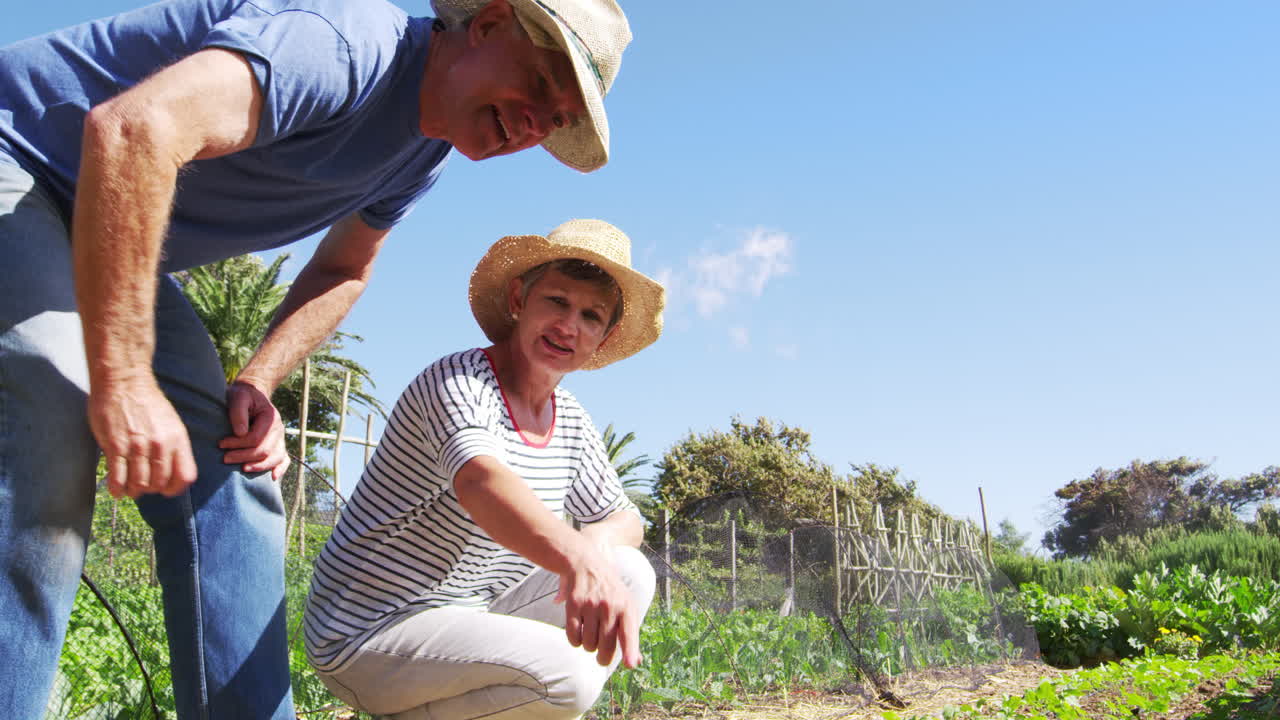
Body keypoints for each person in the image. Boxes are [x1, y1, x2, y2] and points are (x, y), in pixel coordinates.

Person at [0, 0, 632, 716]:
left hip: (106, 218)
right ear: (486, 25)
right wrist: (124, 376)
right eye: (541, 83)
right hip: (23, 165)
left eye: (555, 121)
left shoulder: (420, 155)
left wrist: (257, 381)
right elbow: (134, 129)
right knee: (49, 425)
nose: (535, 122)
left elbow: (345, 271)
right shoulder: (345, 44)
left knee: (234, 468)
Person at [303, 218, 663, 719]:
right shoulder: (459, 382)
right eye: (556, 301)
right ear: (519, 300)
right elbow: (482, 482)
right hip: (369, 629)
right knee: (568, 680)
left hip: (463, 614)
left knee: (630, 572)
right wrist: (581, 564)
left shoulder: (571, 420)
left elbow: (626, 520)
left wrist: (594, 552)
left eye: (591, 315)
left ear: (606, 335)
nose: (568, 326)